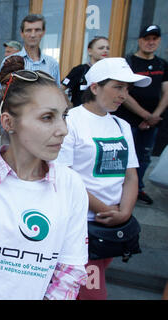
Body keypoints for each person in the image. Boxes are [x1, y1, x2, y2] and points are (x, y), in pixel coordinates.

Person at [0, 69, 89, 300]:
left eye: (64, 116)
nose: (63, 130)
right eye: (47, 117)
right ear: (8, 122)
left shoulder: (71, 185)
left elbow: (70, 272)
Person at [57, 57, 151, 300]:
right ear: (95, 87)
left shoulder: (122, 125)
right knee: (92, 294)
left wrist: (124, 212)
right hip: (80, 227)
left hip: (110, 229)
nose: (124, 95)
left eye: (127, 89)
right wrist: (105, 211)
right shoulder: (69, 122)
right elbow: (65, 178)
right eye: (118, 87)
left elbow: (131, 175)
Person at [113, 25, 168, 205]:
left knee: (144, 157)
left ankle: (137, 189)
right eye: (147, 38)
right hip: (129, 120)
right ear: (140, 40)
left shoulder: (162, 64)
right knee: (123, 156)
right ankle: (120, 189)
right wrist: (145, 115)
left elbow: (166, 92)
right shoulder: (128, 62)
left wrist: (154, 116)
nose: (150, 42)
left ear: (159, 41)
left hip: (153, 121)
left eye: (154, 39)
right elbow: (124, 93)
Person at [0, 14, 61, 111]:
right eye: (28, 30)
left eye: (37, 30)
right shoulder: (10, 61)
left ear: (43, 32)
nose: (33, 35)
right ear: (22, 33)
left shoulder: (52, 64)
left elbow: (57, 97)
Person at [61, 36, 110, 107]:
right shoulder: (80, 70)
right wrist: (69, 104)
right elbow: (60, 89)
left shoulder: (109, 72)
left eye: (108, 48)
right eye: (101, 48)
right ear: (90, 51)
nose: (105, 50)